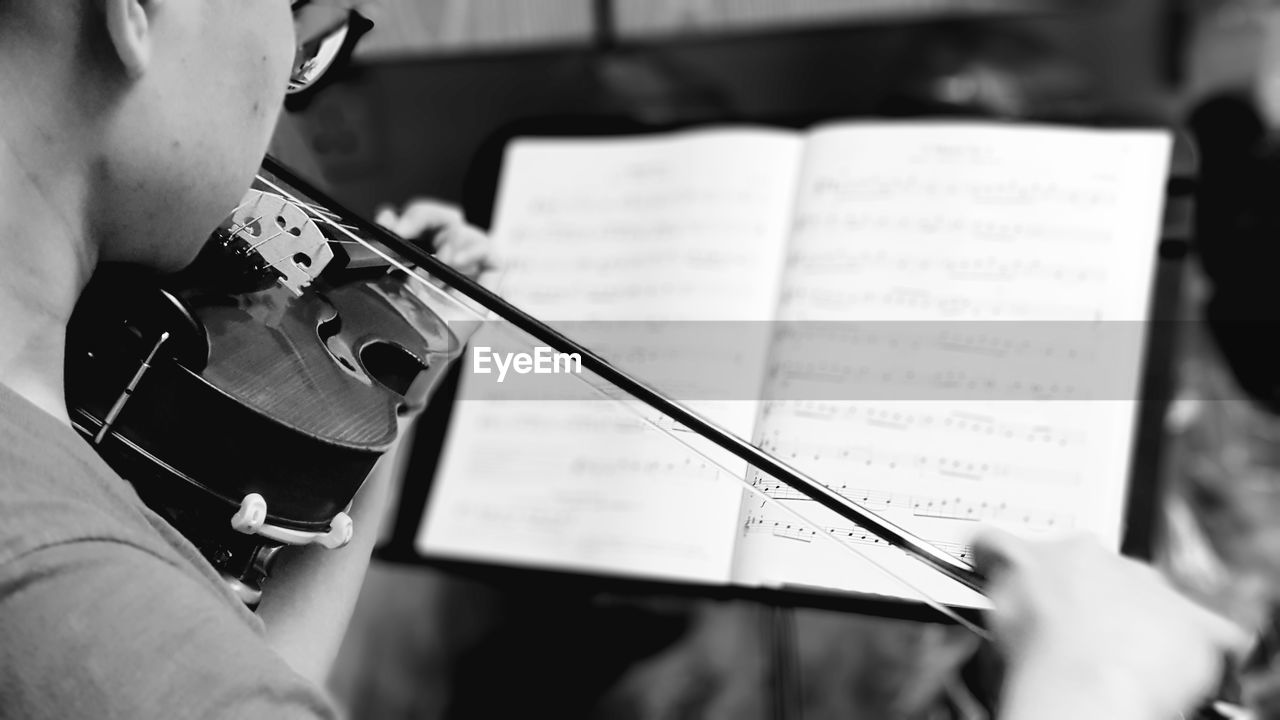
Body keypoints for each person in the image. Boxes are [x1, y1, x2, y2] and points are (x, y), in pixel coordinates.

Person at [0, 1, 1255, 718]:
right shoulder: (67, 597)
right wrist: (1085, 689)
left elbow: (244, 687)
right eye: (305, 30)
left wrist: (386, 411)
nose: (288, 88)